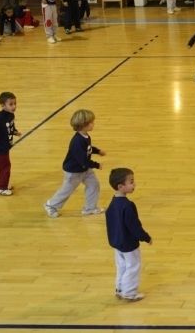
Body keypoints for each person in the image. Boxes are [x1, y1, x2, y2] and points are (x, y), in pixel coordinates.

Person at [44, 109, 105, 218]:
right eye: (91, 122)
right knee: (67, 190)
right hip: (74, 171)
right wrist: (97, 165)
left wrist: (98, 151)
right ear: (83, 125)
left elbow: (88, 149)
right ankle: (51, 205)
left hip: (84, 169)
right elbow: (83, 160)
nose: (93, 124)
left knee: (94, 185)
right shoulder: (77, 141)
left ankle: (89, 208)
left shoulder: (85, 136)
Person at [105, 167, 152, 302]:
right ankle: (129, 292)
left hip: (116, 243)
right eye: (131, 182)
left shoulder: (112, 203)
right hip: (128, 244)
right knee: (133, 266)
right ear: (120, 186)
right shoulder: (128, 205)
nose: (134, 184)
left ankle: (119, 289)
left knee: (122, 266)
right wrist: (145, 237)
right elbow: (134, 226)